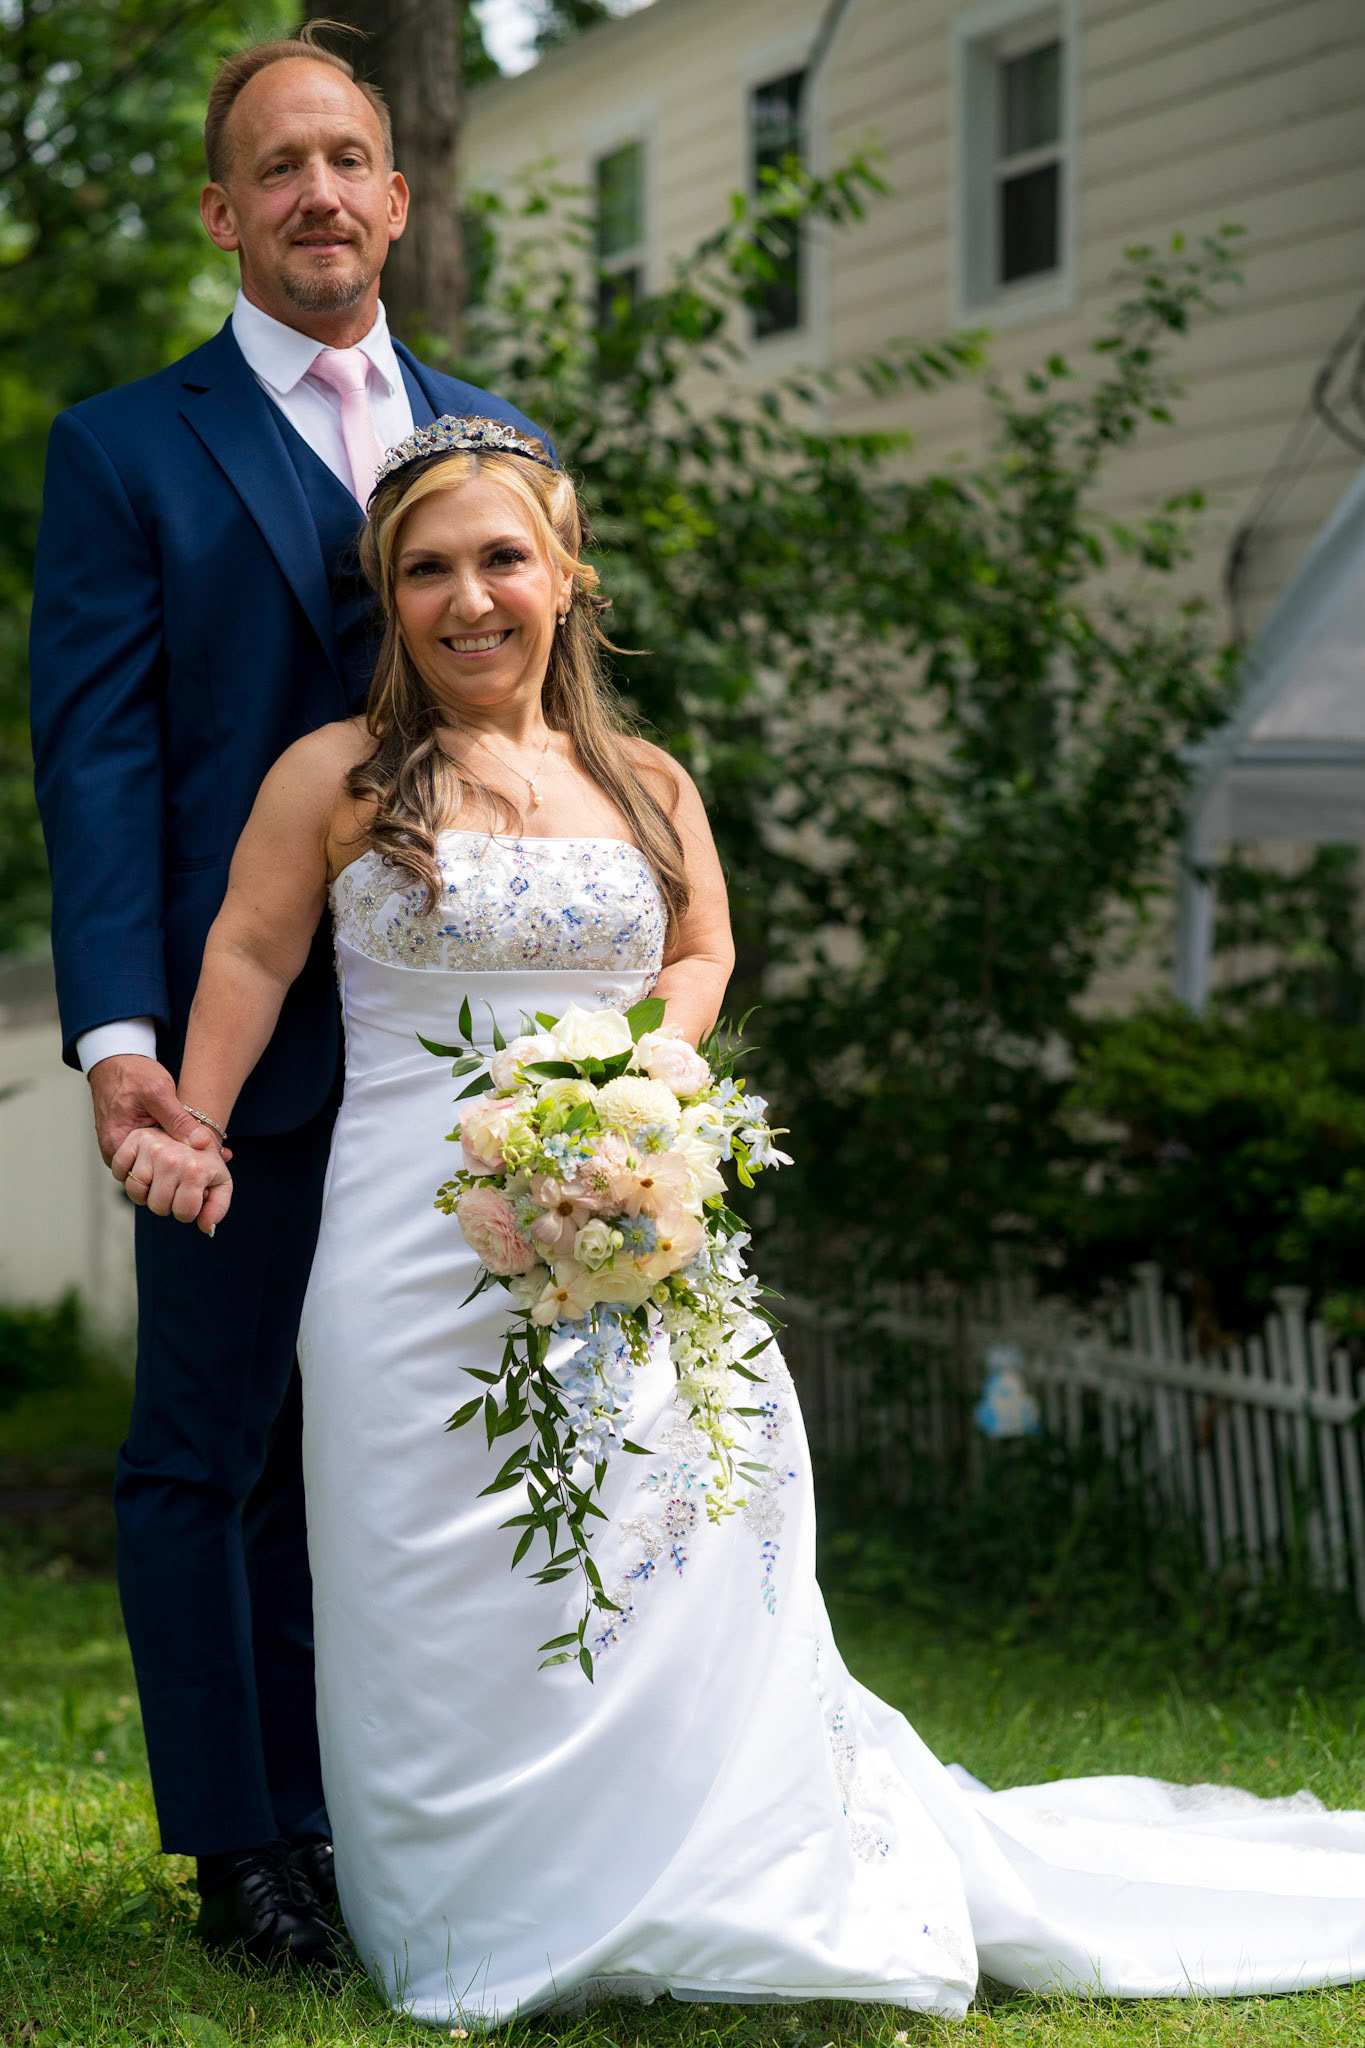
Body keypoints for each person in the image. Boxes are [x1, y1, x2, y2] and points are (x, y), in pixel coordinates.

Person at [114, 421, 1365, 2024]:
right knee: (432, 1561)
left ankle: (712, 1870)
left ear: (566, 577)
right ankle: (468, 1897)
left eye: (501, 558)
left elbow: (699, 950)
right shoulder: (336, 779)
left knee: (674, 1533)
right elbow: (246, 957)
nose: (467, 597)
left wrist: (636, 1090)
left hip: (627, 1220)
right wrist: (197, 1122)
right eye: (425, 569)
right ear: (388, 596)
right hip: (401, 1241)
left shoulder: (644, 782)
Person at [27, 26, 554, 1980]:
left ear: (396, 195)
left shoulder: (500, 439)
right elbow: (90, 764)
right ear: (223, 212)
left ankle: (410, 1809)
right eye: (281, 167)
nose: (321, 194)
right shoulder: (124, 449)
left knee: (419, 1442)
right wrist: (121, 1037)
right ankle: (246, 1849)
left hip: (464, 1046)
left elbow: (557, 729)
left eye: (351, 158)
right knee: (209, 1445)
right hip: (235, 1041)